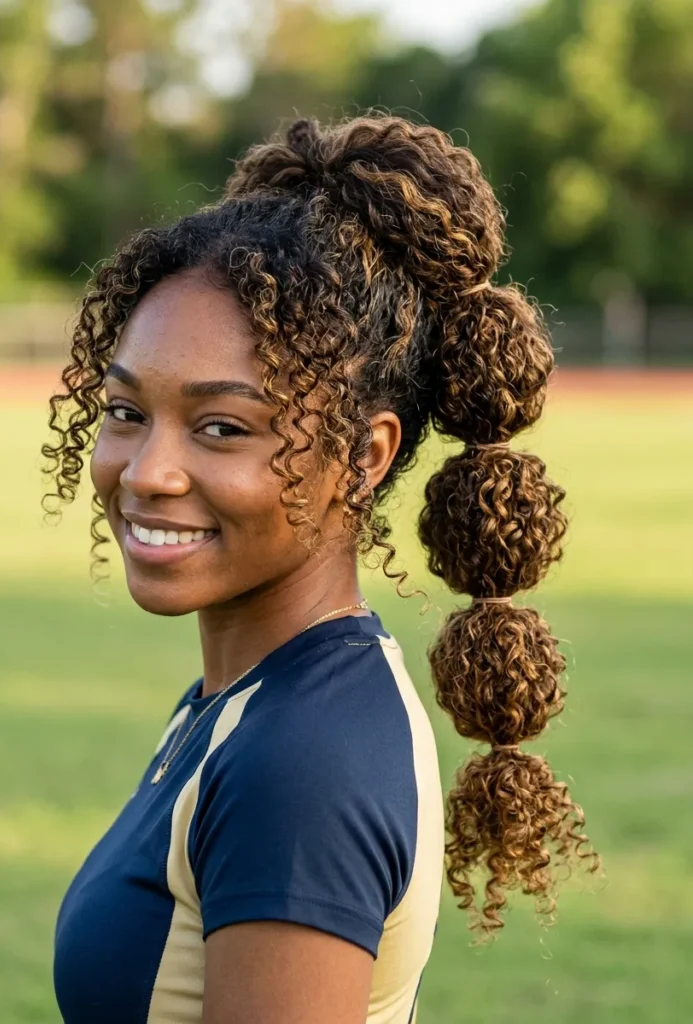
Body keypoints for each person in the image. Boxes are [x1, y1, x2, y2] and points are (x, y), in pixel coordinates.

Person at [42, 114, 599, 1024]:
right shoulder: (251, 700)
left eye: (222, 427)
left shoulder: (303, 760)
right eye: (126, 411)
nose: (146, 472)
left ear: (364, 455)